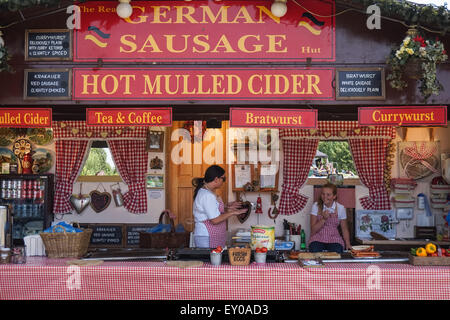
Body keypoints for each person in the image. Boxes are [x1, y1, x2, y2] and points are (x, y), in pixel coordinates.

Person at [192, 165, 247, 248]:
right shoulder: (207, 195)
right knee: (209, 260)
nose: (224, 181)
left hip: (210, 236)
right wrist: (233, 212)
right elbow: (215, 220)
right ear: (216, 179)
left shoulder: (207, 192)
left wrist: (227, 206)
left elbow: (211, 209)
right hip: (207, 236)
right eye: (223, 179)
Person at [308, 183, 352, 253]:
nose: (325, 197)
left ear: (334, 196)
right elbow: (313, 230)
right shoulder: (316, 206)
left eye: (328, 195)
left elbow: (344, 229)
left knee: (337, 251)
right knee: (314, 250)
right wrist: (323, 219)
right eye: (323, 194)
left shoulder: (340, 208)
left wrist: (348, 243)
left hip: (334, 238)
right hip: (318, 238)